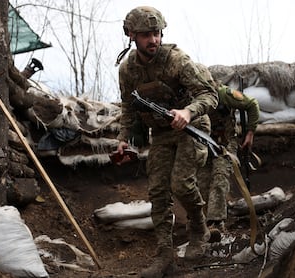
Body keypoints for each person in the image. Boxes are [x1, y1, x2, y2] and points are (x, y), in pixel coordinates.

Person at [115, 6, 218, 278]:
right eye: (146, 35)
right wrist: (124, 139)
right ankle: (164, 255)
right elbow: (128, 107)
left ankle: (199, 229)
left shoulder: (177, 60)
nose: (154, 40)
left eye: (157, 33)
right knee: (158, 192)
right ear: (131, 36)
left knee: (181, 184)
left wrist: (188, 112)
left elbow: (209, 95)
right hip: (160, 133)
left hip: (193, 129)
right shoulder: (128, 70)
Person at [195, 63, 260, 232]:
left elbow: (252, 104)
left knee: (219, 176)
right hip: (203, 146)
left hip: (224, 143)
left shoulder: (223, 93)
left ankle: (216, 223)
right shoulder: (191, 98)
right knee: (200, 182)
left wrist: (250, 133)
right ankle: (200, 224)